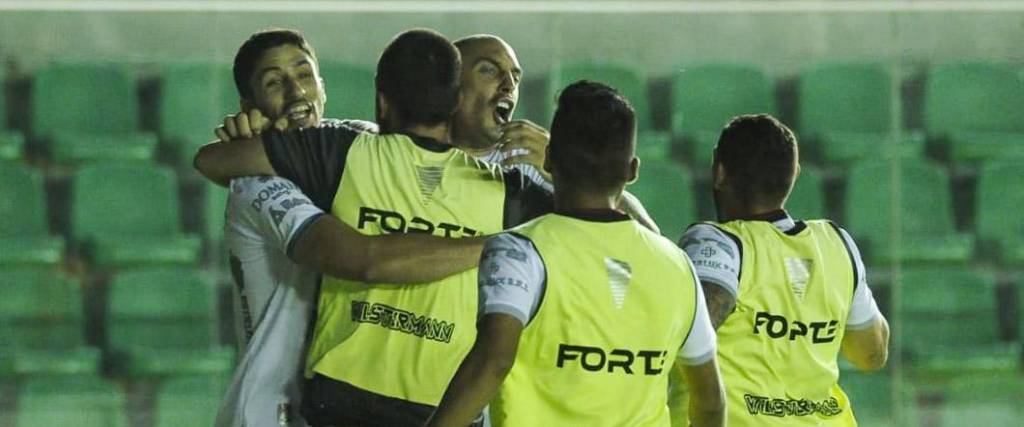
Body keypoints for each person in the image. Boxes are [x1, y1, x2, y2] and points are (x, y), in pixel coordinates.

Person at [194, 28, 553, 426]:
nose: (297, 92)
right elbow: (365, 258)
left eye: (305, 75)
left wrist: (559, 167)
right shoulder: (263, 180)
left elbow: (613, 221)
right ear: (250, 104)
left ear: (323, 86)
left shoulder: (353, 147)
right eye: (274, 82)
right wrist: (501, 244)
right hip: (273, 409)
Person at [426, 81, 726, 427]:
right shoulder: (679, 268)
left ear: (550, 159)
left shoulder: (519, 251)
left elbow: (492, 364)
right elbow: (710, 402)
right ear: (632, 170)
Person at [674, 114, 890, 426]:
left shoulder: (718, 243)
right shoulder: (838, 245)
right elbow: (871, 355)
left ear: (719, 171)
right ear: (794, 174)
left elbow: (681, 334)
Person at [450, 34, 658, 232]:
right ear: (450, 85)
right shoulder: (420, 158)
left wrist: (568, 170)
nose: (509, 85)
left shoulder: (529, 161)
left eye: (515, 77)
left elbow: (648, 241)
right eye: (488, 70)